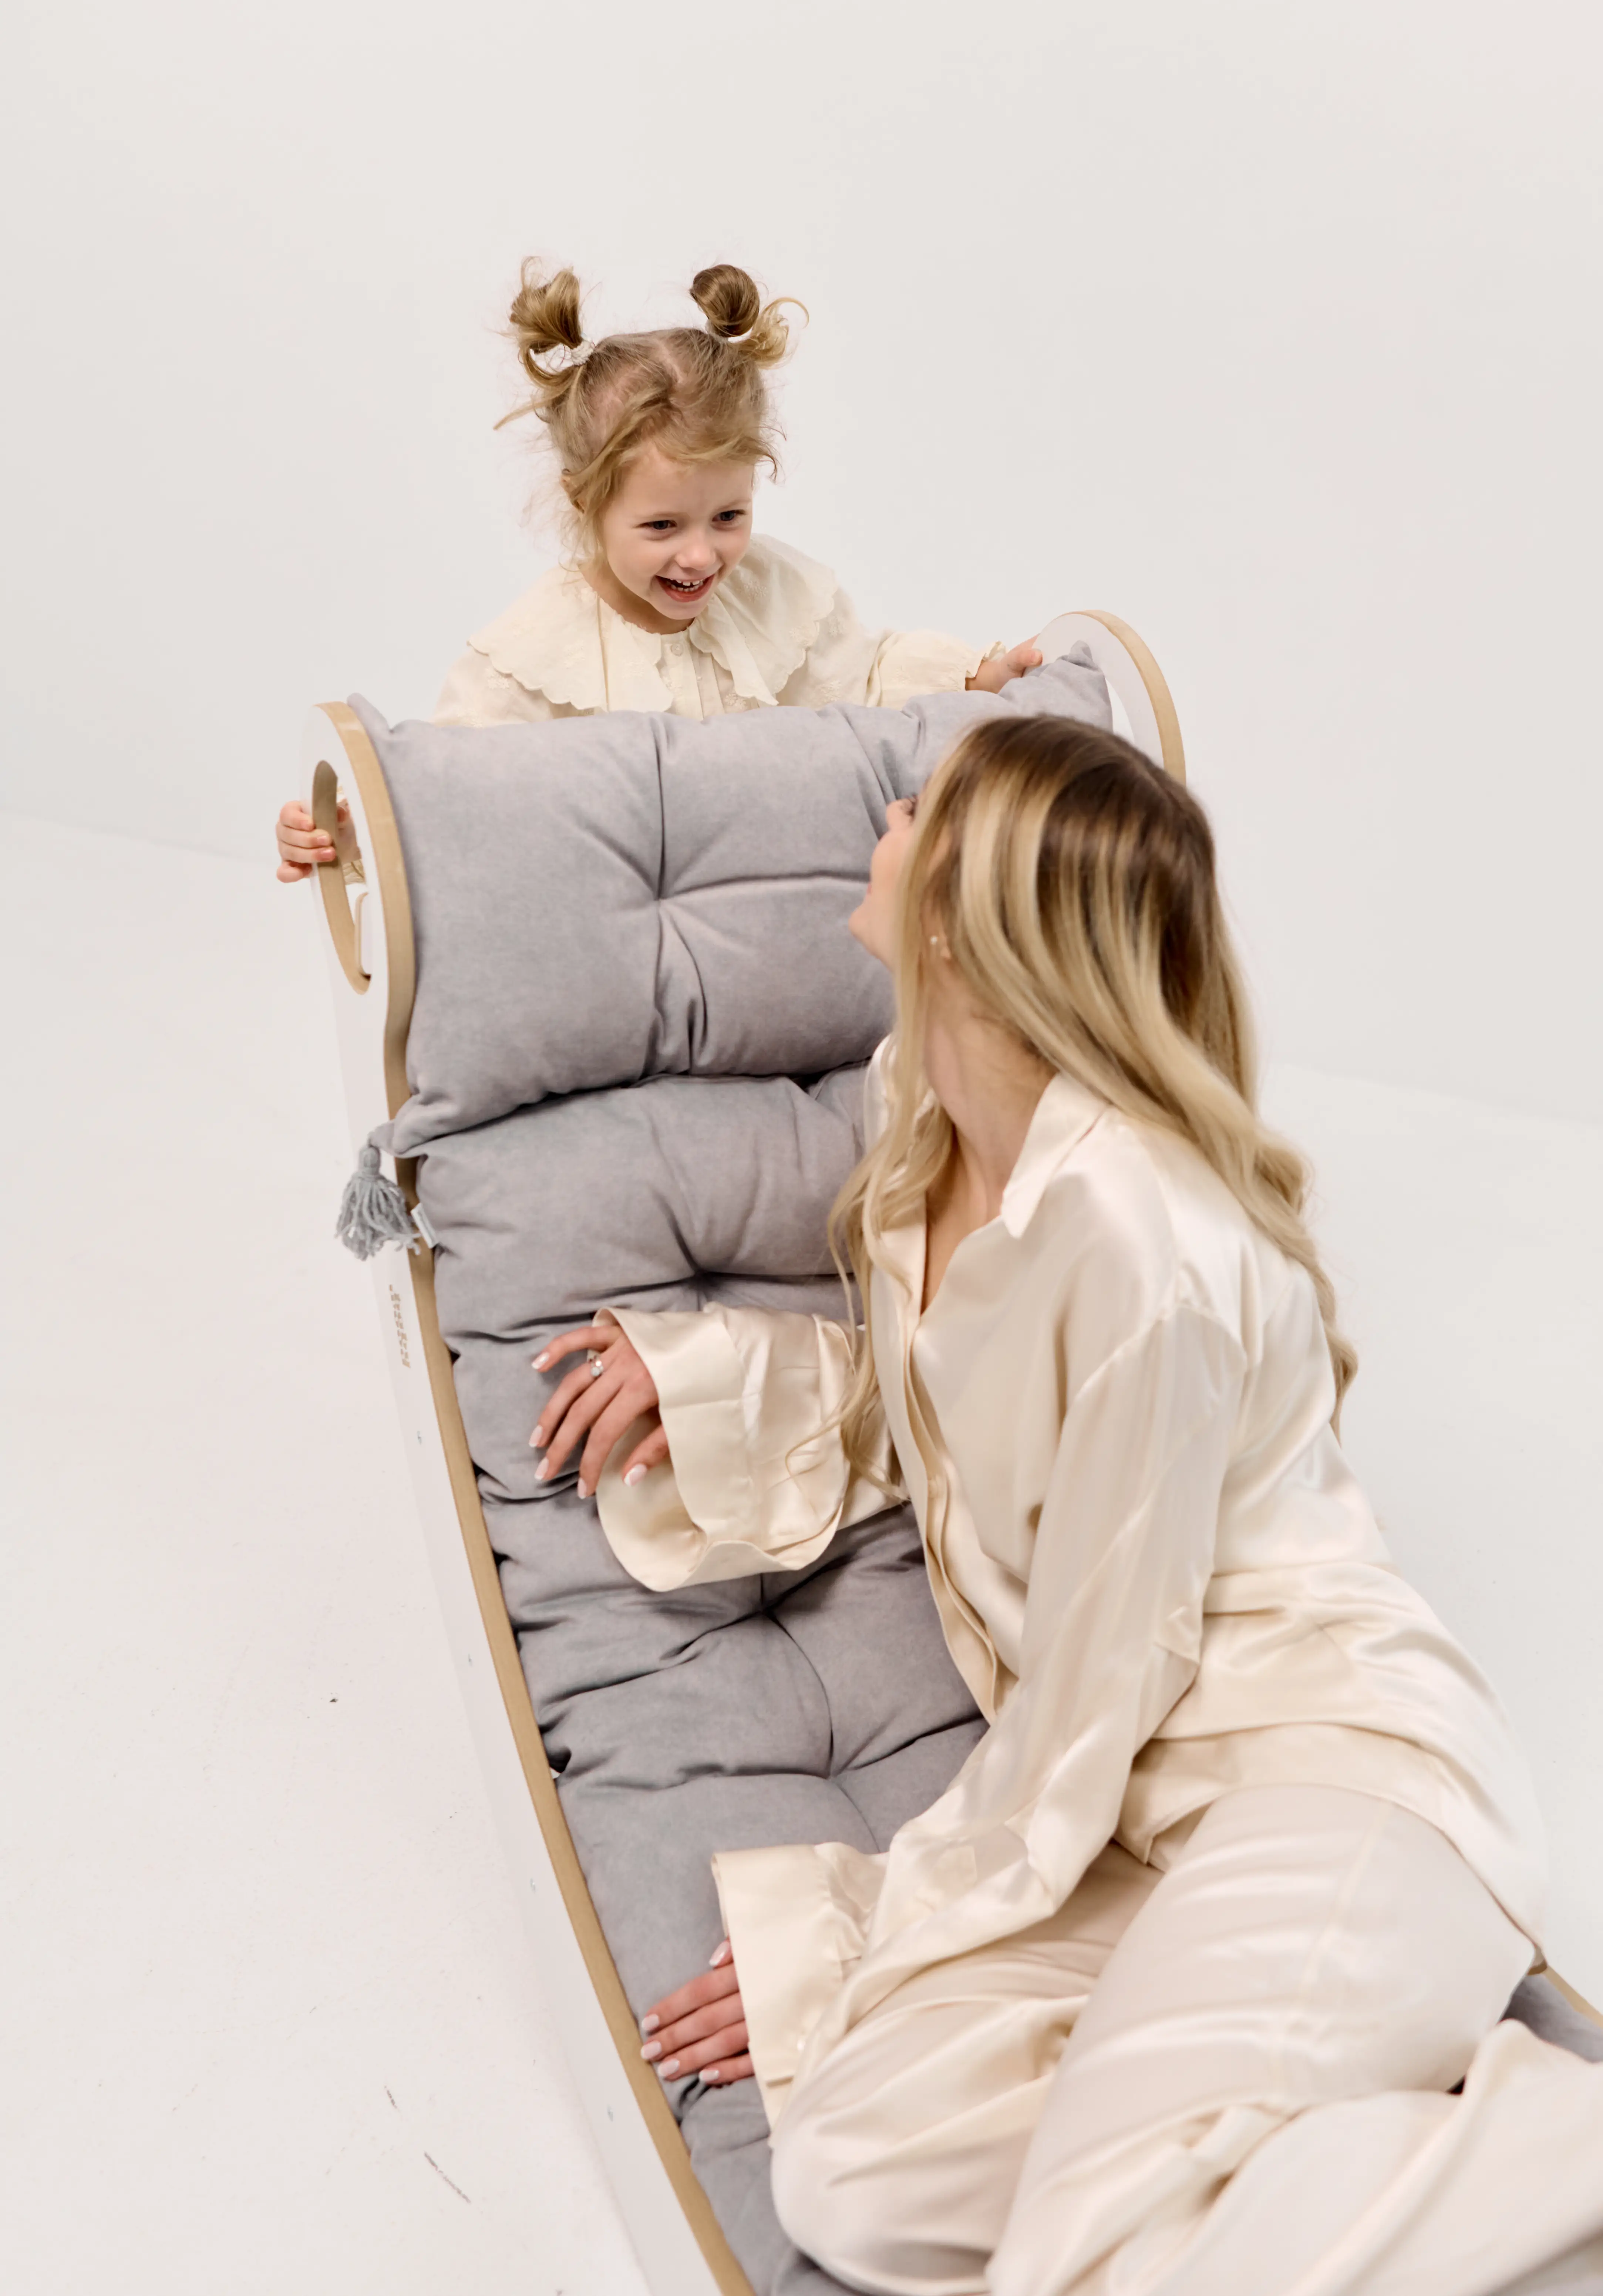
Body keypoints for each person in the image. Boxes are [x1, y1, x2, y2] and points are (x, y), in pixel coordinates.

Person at [529, 716, 1603, 2296]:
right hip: (1142, 1831)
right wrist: (696, 1372)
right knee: (852, 2173)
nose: (895, 810)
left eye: (933, 805)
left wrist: (859, 1932)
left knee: (1093, 2253)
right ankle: (1307, 2135)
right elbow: (949, 1399)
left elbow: (1103, 1675)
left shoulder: (1146, 1247)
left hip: (1334, 1786)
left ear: (967, 916)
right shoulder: (931, 1121)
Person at [275, 261, 1041, 881]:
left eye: (729, 517)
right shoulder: (537, 656)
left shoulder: (770, 593)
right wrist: (353, 835)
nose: (702, 556)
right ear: (586, 502)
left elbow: (864, 682)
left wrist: (977, 680)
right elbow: (461, 793)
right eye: (662, 527)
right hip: (621, 932)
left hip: (778, 896)